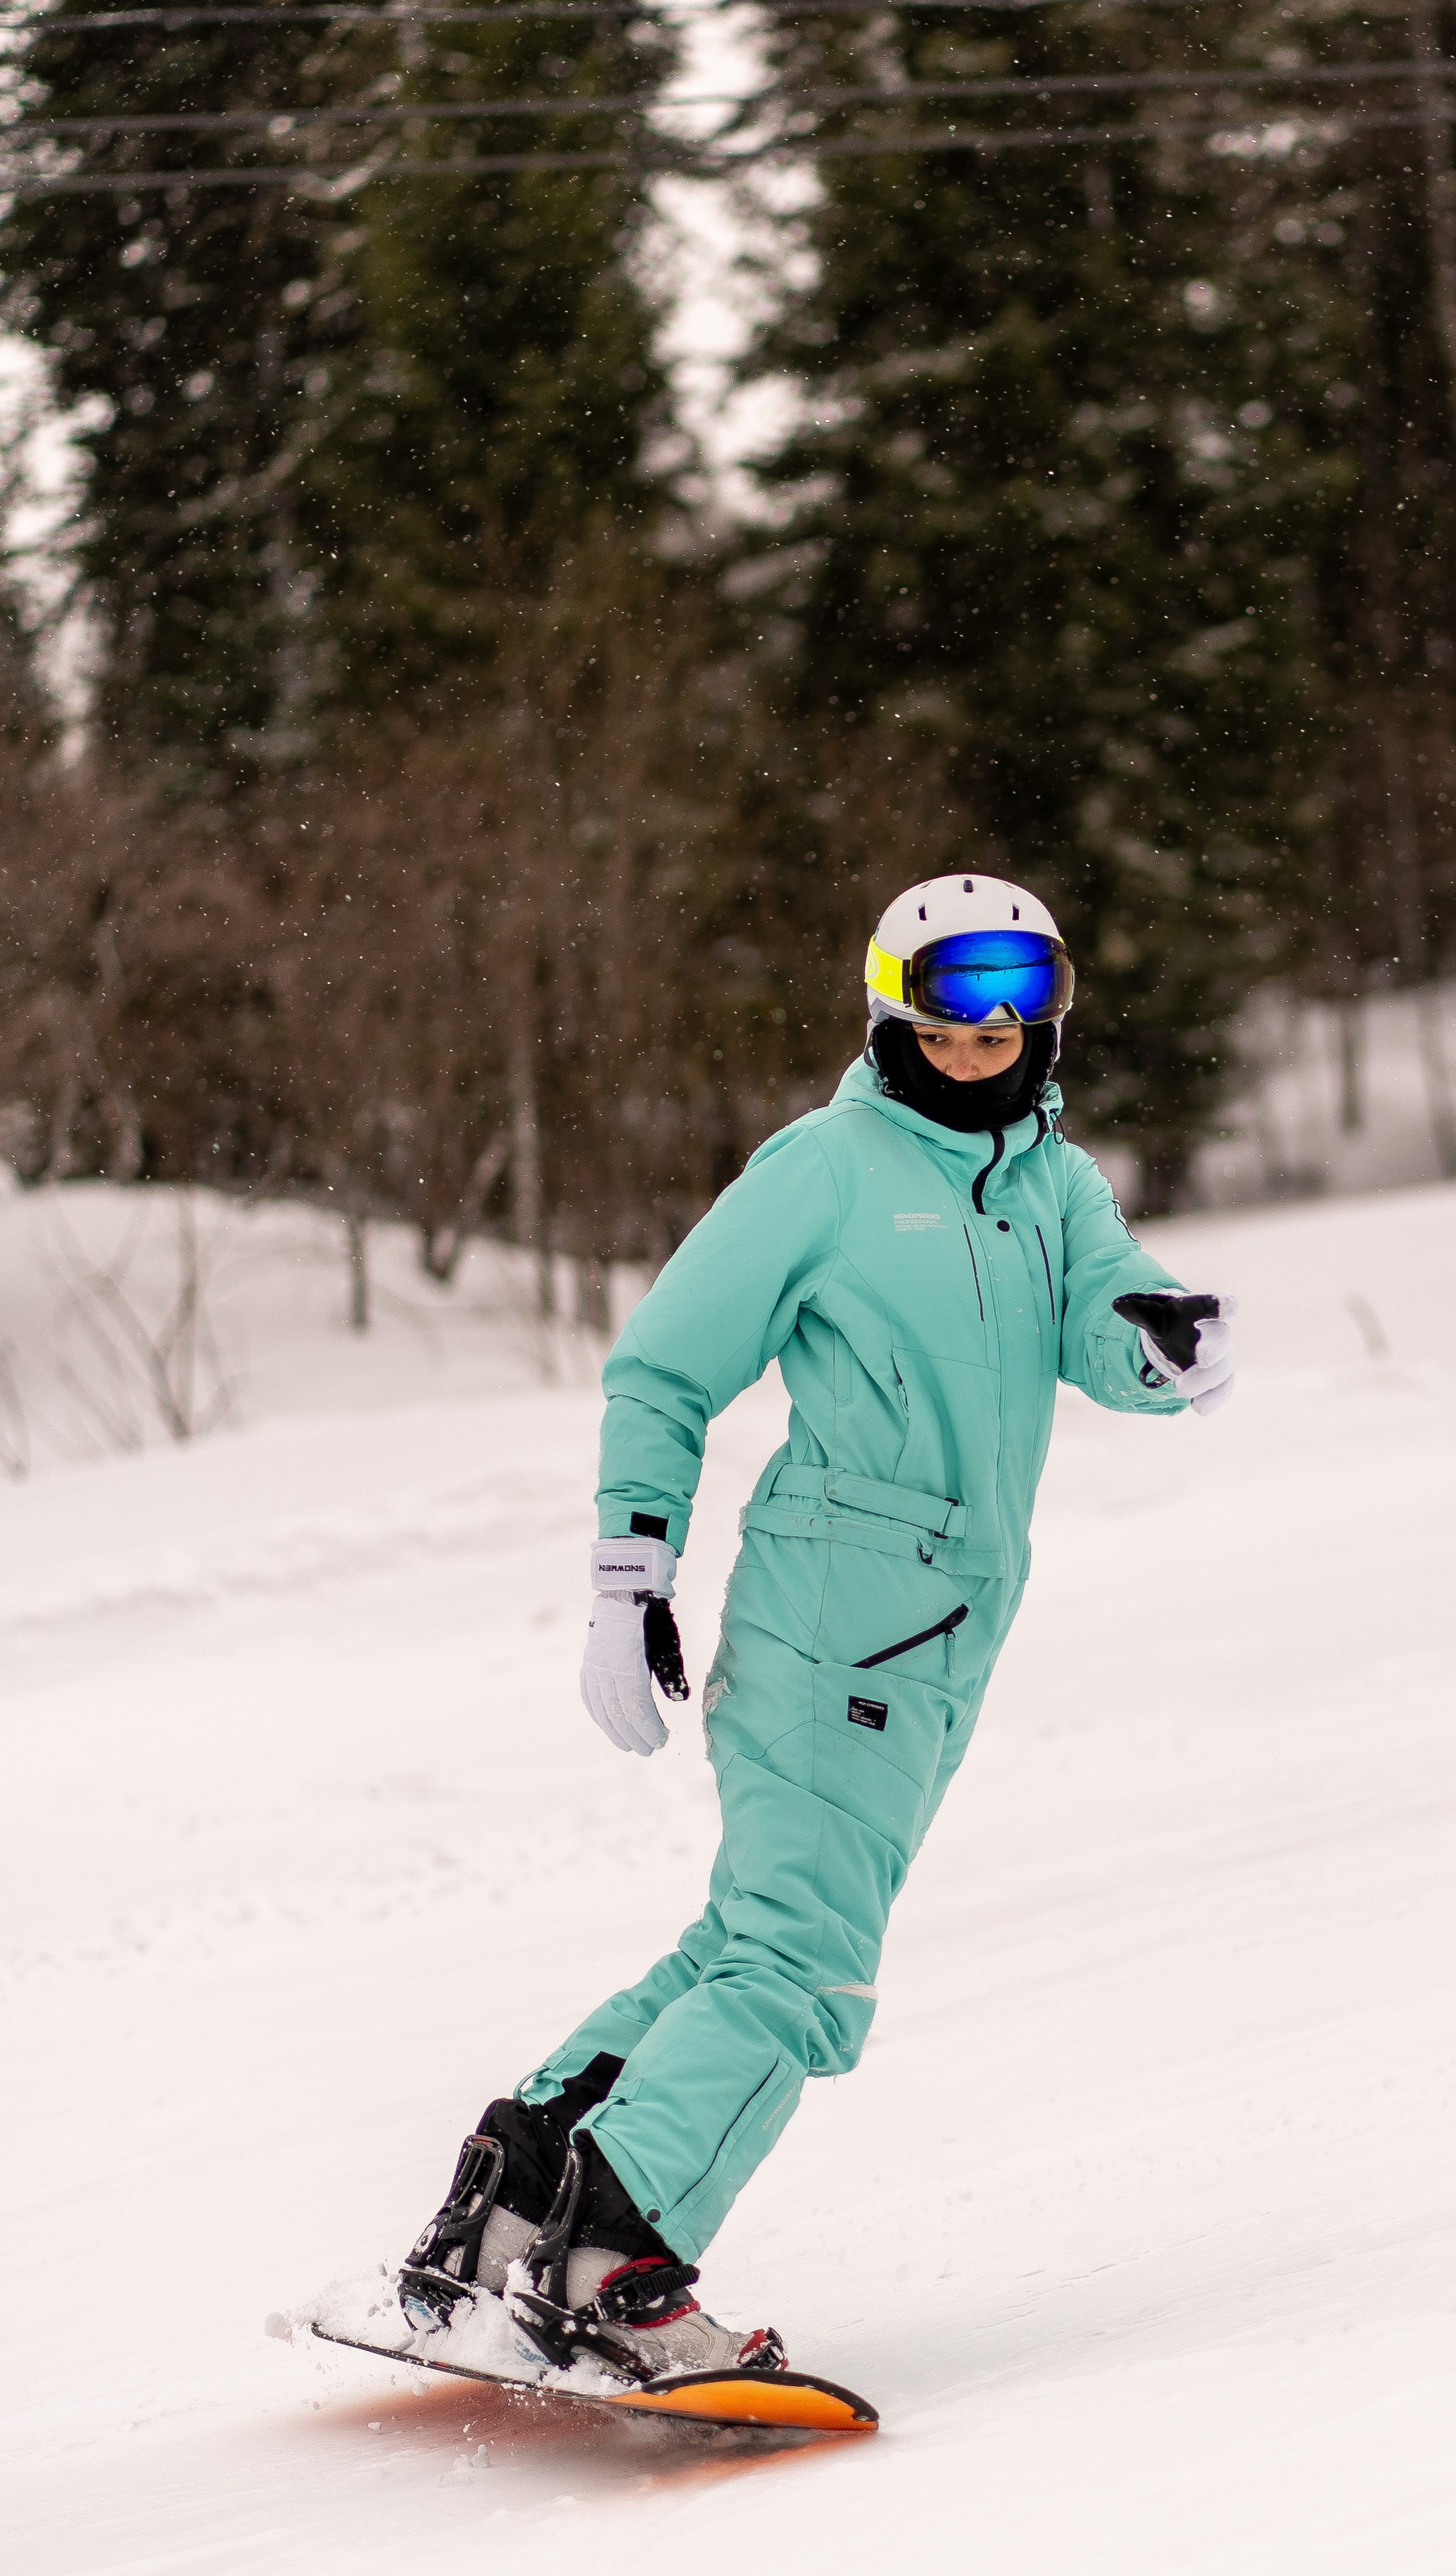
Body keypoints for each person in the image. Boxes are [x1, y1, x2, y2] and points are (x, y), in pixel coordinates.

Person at [399, 873, 1235, 2383]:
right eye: (951, 1003)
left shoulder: (1054, 1183)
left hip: (941, 1638)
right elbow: (664, 1367)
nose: (982, 1035)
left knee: (745, 1941)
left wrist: (1162, 1341)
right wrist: (626, 1573)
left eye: (1015, 1004)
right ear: (891, 1007)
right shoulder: (827, 1168)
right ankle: (619, 2256)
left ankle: (513, 2198)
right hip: (833, 1620)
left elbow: (1101, 1318)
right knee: (804, 1968)